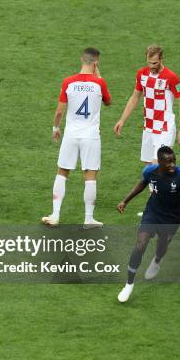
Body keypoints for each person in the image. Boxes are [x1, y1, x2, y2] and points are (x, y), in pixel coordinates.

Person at [116, 146, 180, 303]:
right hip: (152, 214)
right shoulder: (150, 171)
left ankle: (157, 260)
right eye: (168, 162)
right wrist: (125, 201)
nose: (172, 164)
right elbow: (142, 184)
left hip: (171, 218)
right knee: (140, 245)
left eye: (174, 160)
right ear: (159, 162)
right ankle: (129, 285)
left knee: (161, 246)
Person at [41, 48, 111, 228]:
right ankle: (88, 219)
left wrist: (56, 128)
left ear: (82, 59)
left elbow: (59, 111)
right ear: (96, 63)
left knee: (62, 171)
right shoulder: (99, 83)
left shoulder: (68, 82)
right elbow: (108, 102)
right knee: (90, 175)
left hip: (71, 135)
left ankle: (55, 215)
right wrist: (99, 76)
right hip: (91, 136)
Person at [114, 45, 180, 164]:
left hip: (165, 128)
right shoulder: (142, 74)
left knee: (157, 165)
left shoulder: (171, 77)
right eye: (149, 63)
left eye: (154, 63)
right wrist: (122, 120)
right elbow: (134, 97)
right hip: (148, 128)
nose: (151, 66)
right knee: (149, 169)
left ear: (161, 59)